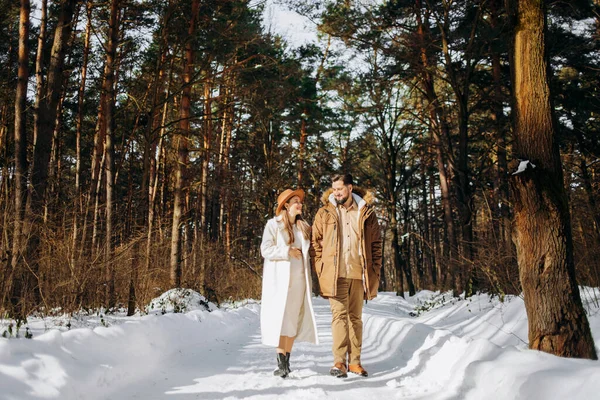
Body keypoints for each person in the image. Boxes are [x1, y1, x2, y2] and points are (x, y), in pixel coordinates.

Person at [312, 174, 382, 378]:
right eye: (334, 189)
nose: (337, 192)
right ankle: (339, 362)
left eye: (340, 189)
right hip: (335, 276)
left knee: (356, 319)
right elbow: (315, 244)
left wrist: (374, 269)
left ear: (350, 188)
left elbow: (376, 244)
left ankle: (355, 362)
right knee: (339, 317)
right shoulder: (325, 213)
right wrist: (321, 267)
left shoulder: (366, 213)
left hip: (359, 274)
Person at [260, 188, 319, 378]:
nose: (299, 204)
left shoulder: (304, 227)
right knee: (280, 320)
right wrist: (287, 252)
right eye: (295, 201)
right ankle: (280, 362)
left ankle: (287, 362)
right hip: (279, 283)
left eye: (300, 201)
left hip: (299, 282)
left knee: (292, 322)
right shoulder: (273, 225)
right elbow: (265, 250)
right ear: (286, 205)